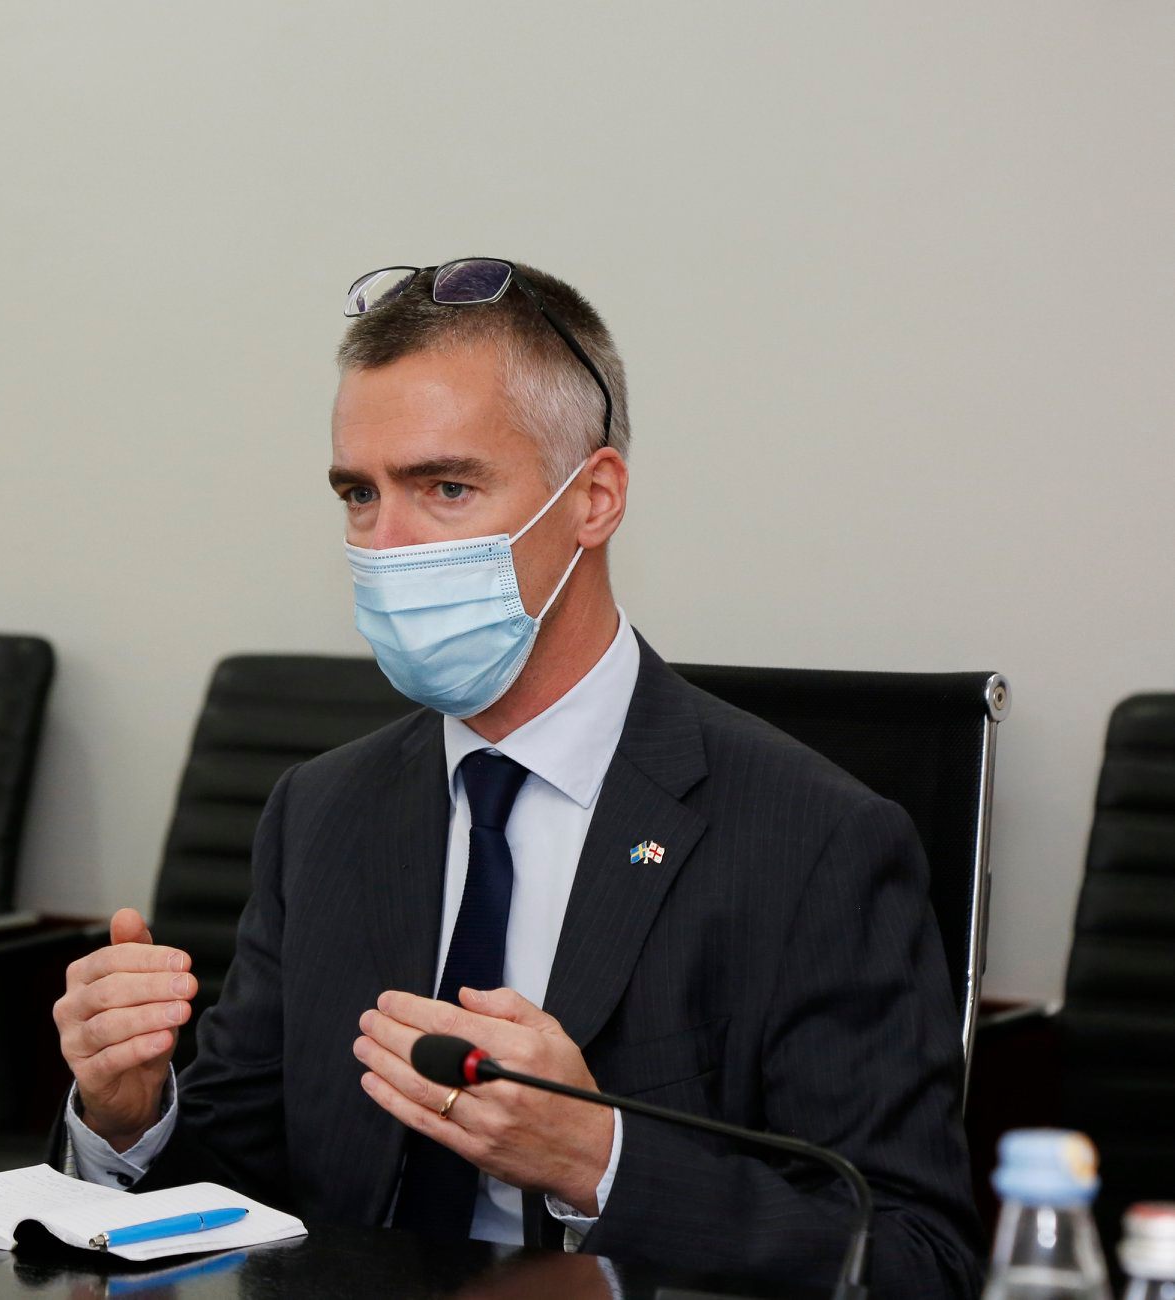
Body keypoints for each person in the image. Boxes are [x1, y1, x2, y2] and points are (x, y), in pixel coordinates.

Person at [50, 259, 981, 1294]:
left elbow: (914, 1260)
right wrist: (130, 1116)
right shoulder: (322, 810)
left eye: (445, 488)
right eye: (359, 494)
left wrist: (599, 1160)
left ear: (594, 499)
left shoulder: (812, 838)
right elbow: (239, 1186)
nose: (386, 545)